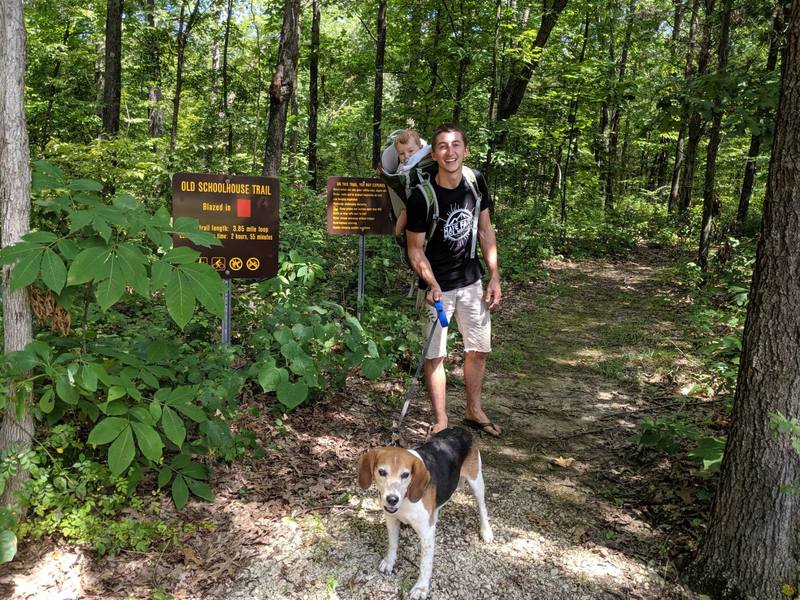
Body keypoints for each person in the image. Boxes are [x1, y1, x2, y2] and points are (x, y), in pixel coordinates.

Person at [405, 124, 502, 437]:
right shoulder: (422, 197)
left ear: (466, 150)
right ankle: (442, 420)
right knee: (436, 355)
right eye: (443, 146)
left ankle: (474, 410)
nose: (450, 152)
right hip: (438, 288)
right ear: (434, 154)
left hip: (471, 281)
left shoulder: (476, 182)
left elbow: (486, 230)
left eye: (456, 144)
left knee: (479, 348)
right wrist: (431, 283)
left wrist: (494, 275)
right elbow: (415, 249)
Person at [390, 129, 427, 237]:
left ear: (420, 149)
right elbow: (399, 178)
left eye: (410, 151)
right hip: (408, 197)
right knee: (405, 212)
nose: (406, 156)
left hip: (425, 192)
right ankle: (398, 234)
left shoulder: (424, 158)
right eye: (402, 153)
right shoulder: (403, 166)